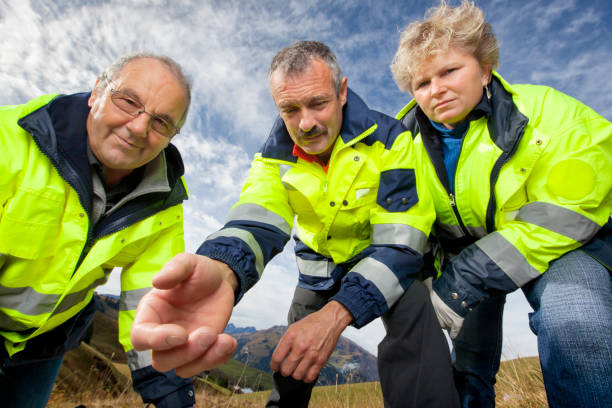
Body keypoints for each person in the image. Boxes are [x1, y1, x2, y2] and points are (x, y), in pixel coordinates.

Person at [132, 40, 460, 407]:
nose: (306, 123)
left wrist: (337, 314)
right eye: (290, 109)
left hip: (381, 260)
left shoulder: (394, 140)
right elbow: (258, 213)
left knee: (414, 311)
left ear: (342, 91)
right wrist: (223, 267)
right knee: (291, 357)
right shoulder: (272, 156)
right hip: (317, 268)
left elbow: (403, 239)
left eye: (318, 103)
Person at [390, 1, 612, 407]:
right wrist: (422, 284)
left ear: (485, 67)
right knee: (465, 367)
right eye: (421, 83)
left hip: (562, 250)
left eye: (449, 71)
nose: (435, 89)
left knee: (575, 322)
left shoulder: (548, 111)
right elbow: (404, 222)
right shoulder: (399, 148)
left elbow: (574, 209)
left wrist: (462, 282)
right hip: (461, 256)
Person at [0, 53, 197, 408]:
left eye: (161, 122)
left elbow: (152, 299)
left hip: (46, 345)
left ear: (172, 137)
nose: (139, 128)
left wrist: (168, 390)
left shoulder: (164, 200)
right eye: (129, 102)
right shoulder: (8, 141)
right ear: (96, 92)